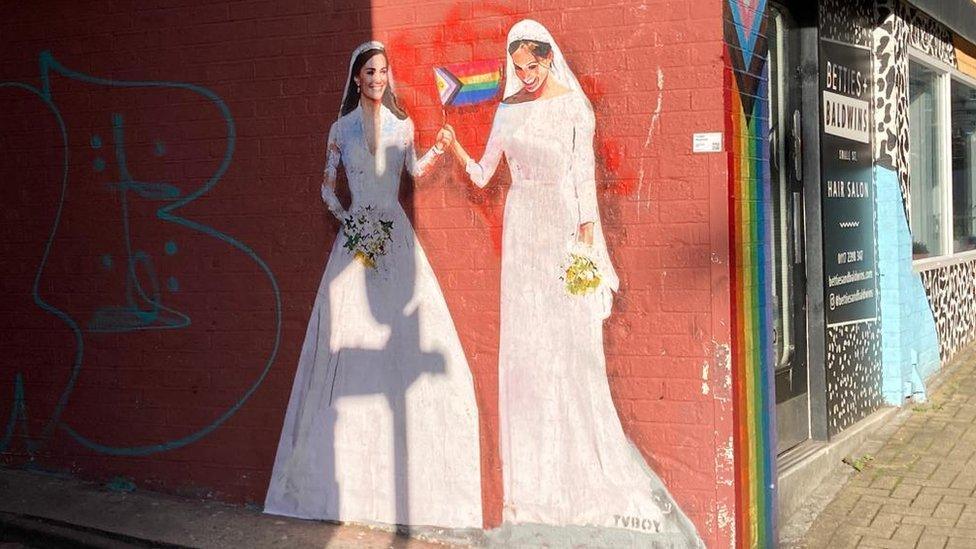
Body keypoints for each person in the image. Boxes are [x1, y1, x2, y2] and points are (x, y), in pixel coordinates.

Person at [444, 20, 701, 544]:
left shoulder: (573, 108)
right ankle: (531, 482)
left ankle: (574, 471)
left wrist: (585, 254)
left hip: (562, 231)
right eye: (517, 68)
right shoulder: (508, 109)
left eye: (533, 66)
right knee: (527, 352)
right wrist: (451, 147)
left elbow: (584, 185)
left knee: (569, 348)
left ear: (548, 58)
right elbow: (482, 174)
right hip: (522, 238)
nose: (526, 75)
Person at [264, 41, 482, 529]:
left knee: (403, 342)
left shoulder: (404, 127)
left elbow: (414, 172)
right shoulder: (339, 130)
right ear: (356, 78)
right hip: (357, 241)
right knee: (347, 340)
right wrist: (350, 222)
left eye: (384, 71)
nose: (378, 78)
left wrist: (442, 146)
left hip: (396, 237)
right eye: (370, 71)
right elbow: (326, 187)